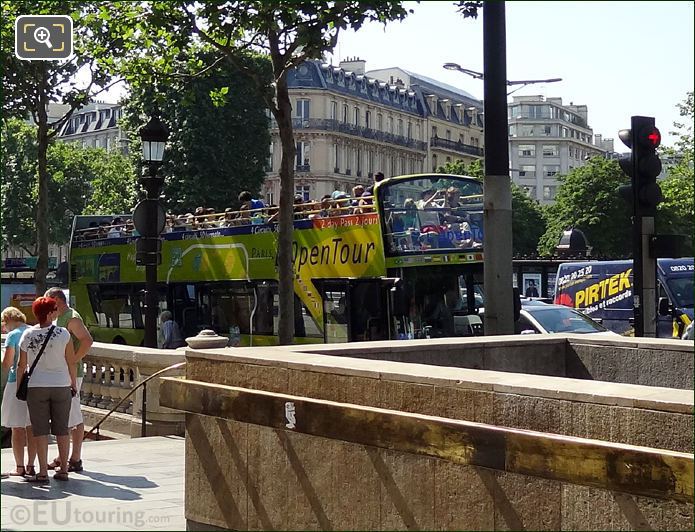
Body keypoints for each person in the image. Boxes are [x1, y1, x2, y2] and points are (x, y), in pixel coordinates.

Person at [17, 296, 78, 482]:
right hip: (61, 384)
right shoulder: (63, 334)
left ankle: (43, 471)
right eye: (55, 309)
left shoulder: (27, 335)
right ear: (50, 314)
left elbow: (22, 365)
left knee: (40, 430)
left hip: (37, 386)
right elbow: (71, 362)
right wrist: (73, 383)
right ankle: (64, 469)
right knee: (62, 429)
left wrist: (19, 386)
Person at [44, 287, 93, 474]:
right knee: (69, 415)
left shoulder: (72, 317)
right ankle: (66, 457)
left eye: (49, 301)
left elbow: (87, 340)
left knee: (72, 415)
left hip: (71, 373)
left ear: (57, 299)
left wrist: (73, 359)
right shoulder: (61, 317)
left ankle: (74, 458)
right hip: (65, 372)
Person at [1, 307, 36, 478]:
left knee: (17, 427)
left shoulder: (13, 335)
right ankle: (31, 465)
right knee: (32, 426)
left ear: (8, 320)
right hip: (36, 383)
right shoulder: (32, 331)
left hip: (16, 383)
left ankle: (20, 467)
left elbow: (7, 363)